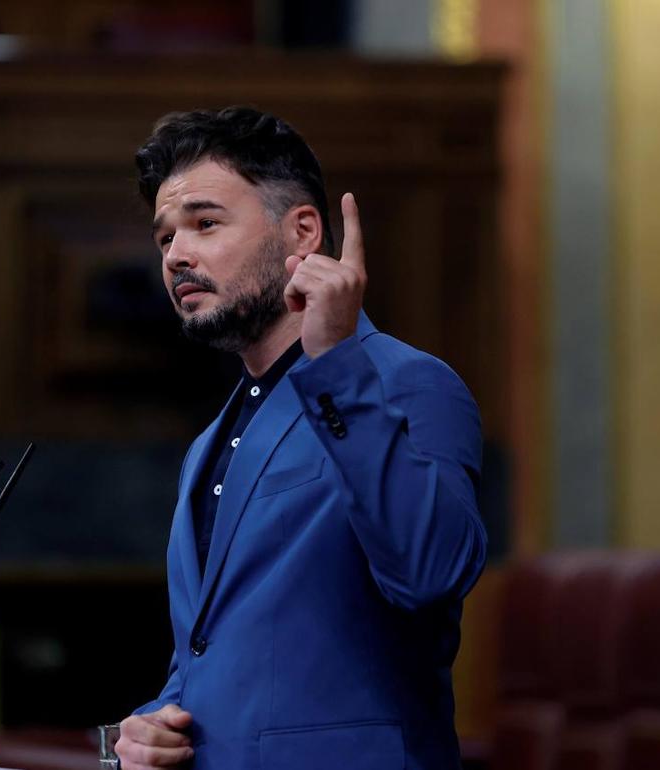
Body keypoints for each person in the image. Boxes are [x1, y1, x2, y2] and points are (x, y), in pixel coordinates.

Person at [114, 106, 487, 770]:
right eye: (165, 237)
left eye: (205, 223)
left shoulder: (408, 382)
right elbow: (214, 654)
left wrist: (337, 365)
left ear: (304, 233)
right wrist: (155, 724)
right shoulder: (208, 443)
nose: (177, 255)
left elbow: (431, 574)